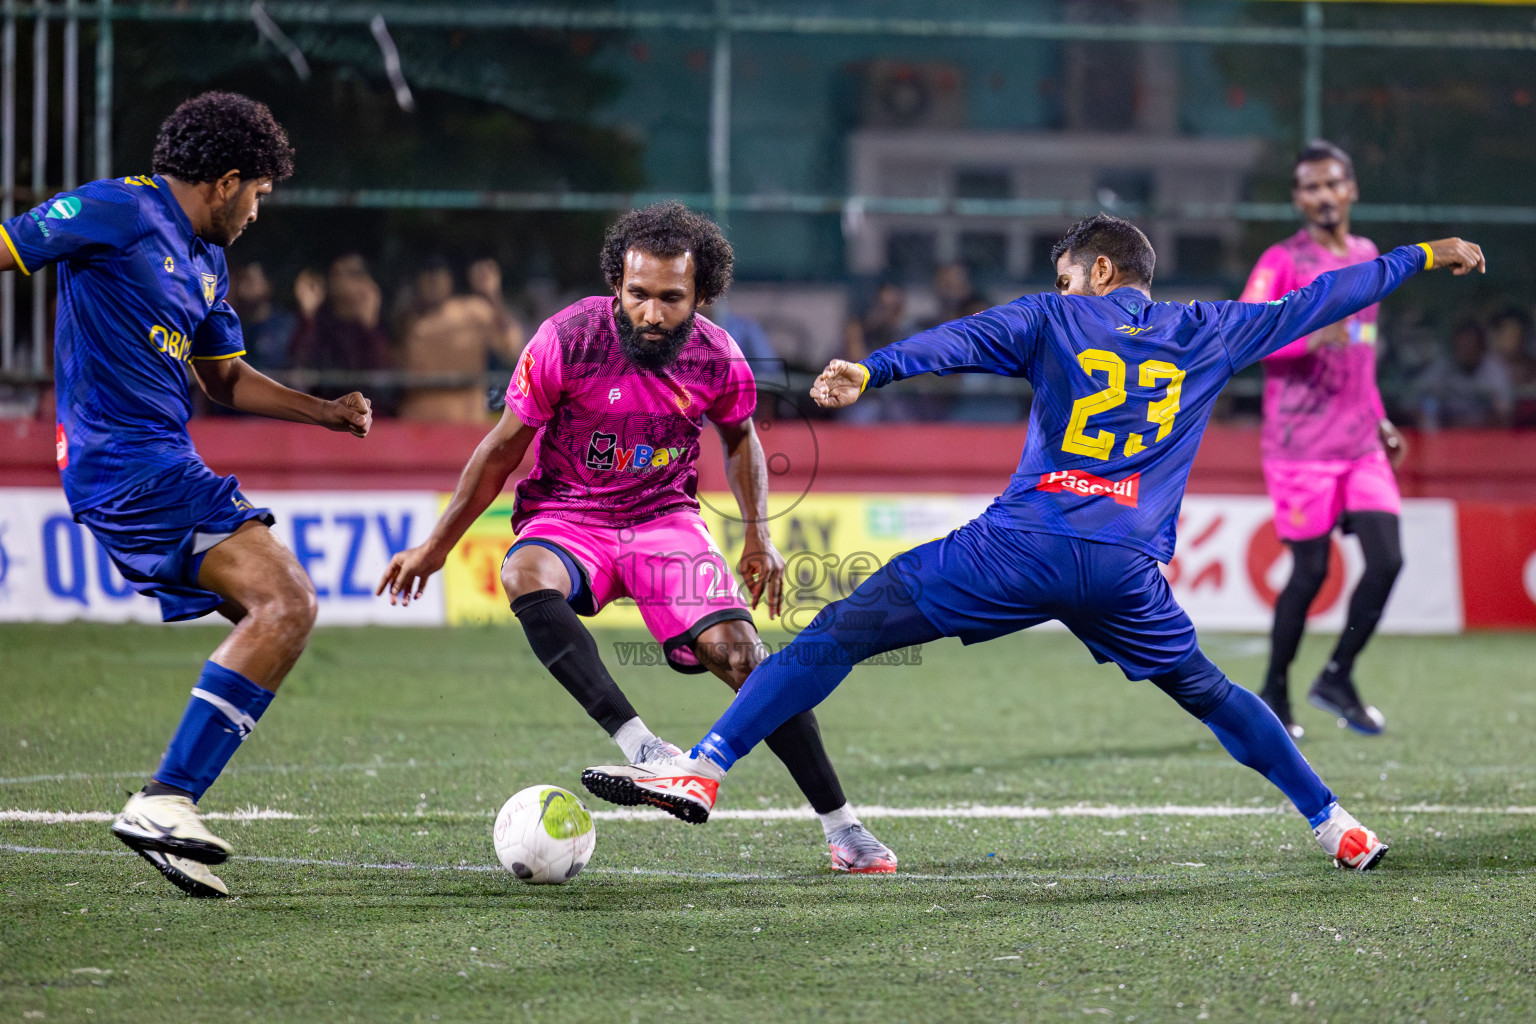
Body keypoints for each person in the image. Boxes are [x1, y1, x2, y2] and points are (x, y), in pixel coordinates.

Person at [583, 214, 1486, 874]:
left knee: (837, 634)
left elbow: (966, 339)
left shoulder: (1055, 318)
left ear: (1096, 271)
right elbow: (1330, 293)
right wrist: (1423, 253)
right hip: (1127, 570)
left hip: (1021, 546)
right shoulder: (1214, 328)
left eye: (1065, 278)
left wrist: (878, 368)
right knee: (1211, 693)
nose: (1061, 291)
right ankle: (1335, 824)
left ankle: (704, 770)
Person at [378, 202, 899, 873]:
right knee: (522, 574)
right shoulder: (565, 340)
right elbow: (502, 448)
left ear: (701, 296)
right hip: (569, 516)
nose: (651, 314)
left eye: (671, 299)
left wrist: (759, 536)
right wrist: (437, 545)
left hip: (664, 522)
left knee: (745, 659)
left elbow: (741, 438)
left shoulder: (718, 355)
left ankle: (844, 828)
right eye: (638, 294)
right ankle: (643, 748)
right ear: (617, 285)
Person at [0, 92, 373, 897]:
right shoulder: (114, 210)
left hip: (154, 464)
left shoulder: (207, 261)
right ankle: (165, 800)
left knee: (271, 618)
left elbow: (225, 378)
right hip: (127, 463)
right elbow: (7, 245)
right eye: (261, 195)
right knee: (289, 603)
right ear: (228, 180)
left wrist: (327, 413)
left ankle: (167, 808)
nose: (259, 213)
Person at [1239, 141, 1407, 740]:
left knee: (1387, 559)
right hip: (1300, 445)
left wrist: (1380, 415)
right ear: (1298, 198)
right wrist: (1309, 337)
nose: (1323, 195)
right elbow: (1244, 335)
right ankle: (1274, 691)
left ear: (1351, 189)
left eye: (1332, 183)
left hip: (1360, 443)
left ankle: (1337, 676)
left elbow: (1361, 354)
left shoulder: (1365, 255)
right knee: (1309, 573)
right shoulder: (1281, 261)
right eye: (1310, 187)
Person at [398, 257, 524, 422]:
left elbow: (512, 346)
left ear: (450, 279)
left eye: (438, 274)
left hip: (465, 422)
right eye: (427, 275)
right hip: (416, 423)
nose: (432, 281)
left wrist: (491, 294)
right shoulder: (408, 321)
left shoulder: (472, 311)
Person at [290, 253, 393, 400]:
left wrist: (371, 327)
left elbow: (386, 389)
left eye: (352, 273)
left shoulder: (379, 325)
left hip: (371, 413)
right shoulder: (319, 323)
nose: (342, 280)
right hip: (323, 409)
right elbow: (300, 380)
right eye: (336, 274)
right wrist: (308, 318)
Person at [1414, 318, 1516, 429]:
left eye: (1470, 344)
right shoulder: (1443, 366)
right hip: (1447, 431)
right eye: (1461, 345)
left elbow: (1505, 408)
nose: (1465, 350)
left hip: (1484, 432)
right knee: (1428, 403)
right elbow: (1416, 395)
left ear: (1480, 347)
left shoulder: (1494, 368)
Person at [228, 261, 297, 372]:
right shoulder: (232, 325)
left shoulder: (286, 324)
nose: (245, 287)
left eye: (251, 281)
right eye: (242, 280)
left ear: (267, 285)